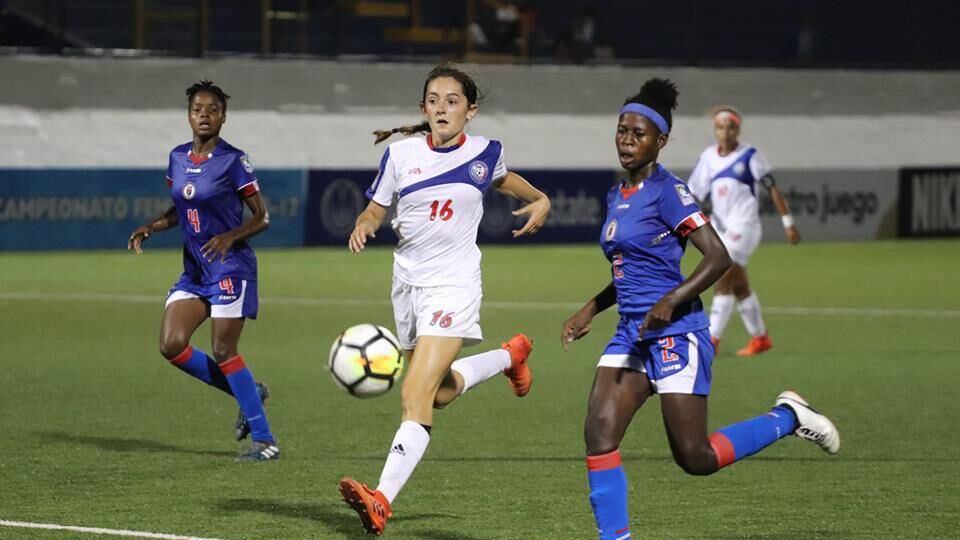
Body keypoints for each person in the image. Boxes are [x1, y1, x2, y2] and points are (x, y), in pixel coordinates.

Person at [561, 78, 839, 540]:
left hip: (676, 332)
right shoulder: (616, 195)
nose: (627, 141)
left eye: (638, 134)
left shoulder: (669, 192)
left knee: (696, 458)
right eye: (622, 131)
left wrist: (671, 300)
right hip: (631, 333)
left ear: (661, 141)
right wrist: (590, 308)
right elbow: (630, 271)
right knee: (599, 434)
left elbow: (718, 257)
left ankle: (789, 417)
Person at [338, 63, 551, 536]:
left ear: (470, 111)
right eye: (433, 100)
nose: (442, 108)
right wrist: (365, 223)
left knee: (414, 395)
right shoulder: (400, 156)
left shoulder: (485, 153)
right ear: (423, 108)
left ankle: (381, 499)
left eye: (452, 101)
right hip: (407, 285)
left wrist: (541, 199)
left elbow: (505, 179)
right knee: (438, 392)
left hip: (454, 285)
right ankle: (510, 356)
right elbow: (376, 207)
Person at [127, 80, 278, 463]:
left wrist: (231, 236)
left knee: (224, 350)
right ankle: (249, 391)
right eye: (197, 109)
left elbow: (262, 217)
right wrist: (151, 227)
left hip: (230, 267)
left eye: (213, 109)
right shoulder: (177, 157)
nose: (204, 115)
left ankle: (265, 441)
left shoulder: (233, 161)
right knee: (171, 344)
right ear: (189, 116)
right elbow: (182, 209)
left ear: (223, 117)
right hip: (195, 271)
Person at [687, 106, 801, 356]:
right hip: (719, 228)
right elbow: (694, 194)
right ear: (715, 130)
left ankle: (712, 341)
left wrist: (788, 223)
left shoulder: (750, 155)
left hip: (745, 226)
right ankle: (760, 338)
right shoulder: (708, 158)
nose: (725, 132)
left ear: (738, 130)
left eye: (730, 127)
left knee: (724, 277)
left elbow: (772, 188)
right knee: (738, 285)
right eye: (720, 127)